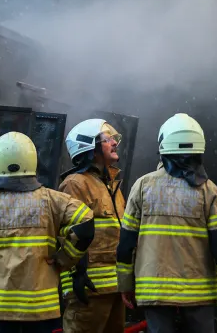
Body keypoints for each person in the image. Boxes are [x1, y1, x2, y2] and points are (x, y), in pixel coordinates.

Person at [0, 131, 95, 333]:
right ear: (32, 160)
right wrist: (63, 259)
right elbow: (84, 225)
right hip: (40, 307)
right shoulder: (52, 200)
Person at [116, 112, 217, 333]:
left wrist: (125, 284)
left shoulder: (143, 186)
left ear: (163, 146)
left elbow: (126, 242)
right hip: (199, 294)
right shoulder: (208, 190)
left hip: (154, 290)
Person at [58, 118, 128, 333]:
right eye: (107, 139)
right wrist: (77, 273)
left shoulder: (111, 185)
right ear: (89, 147)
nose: (114, 143)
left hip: (114, 287)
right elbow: (68, 233)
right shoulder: (75, 184)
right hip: (88, 288)